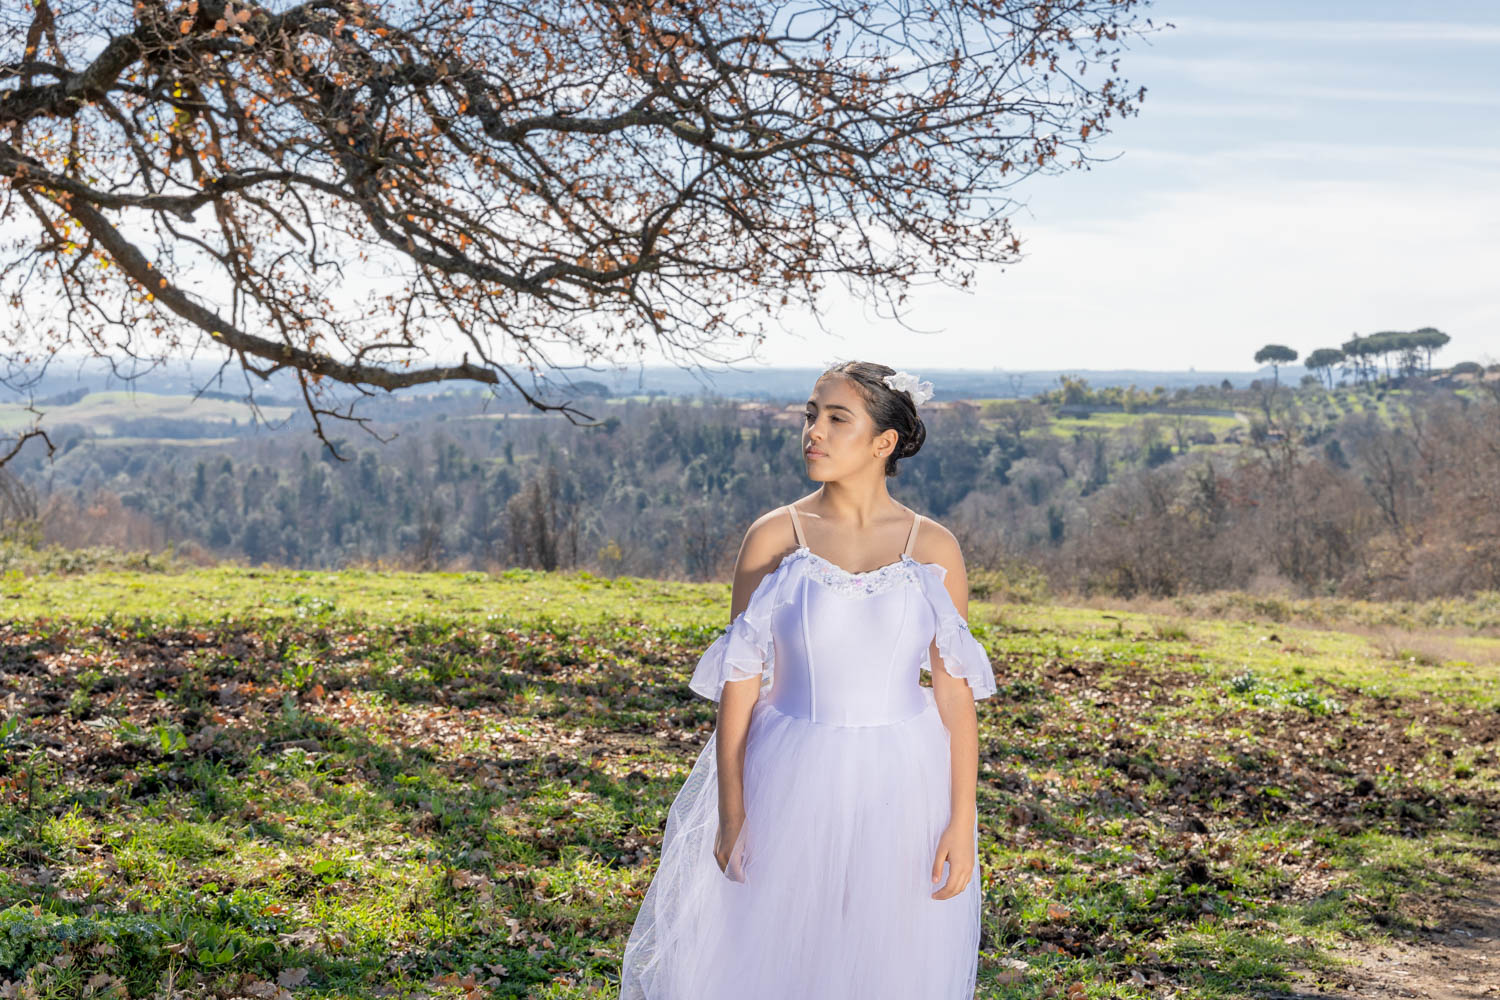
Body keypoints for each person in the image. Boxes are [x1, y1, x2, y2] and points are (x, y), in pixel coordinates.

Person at [618, 361, 997, 999]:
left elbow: (954, 693)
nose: (813, 432)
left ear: (885, 442)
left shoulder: (933, 548)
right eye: (810, 416)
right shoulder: (774, 536)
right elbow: (741, 680)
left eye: (836, 418)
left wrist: (962, 819)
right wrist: (731, 811)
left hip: (903, 778)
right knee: (780, 948)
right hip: (790, 770)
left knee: (885, 950)